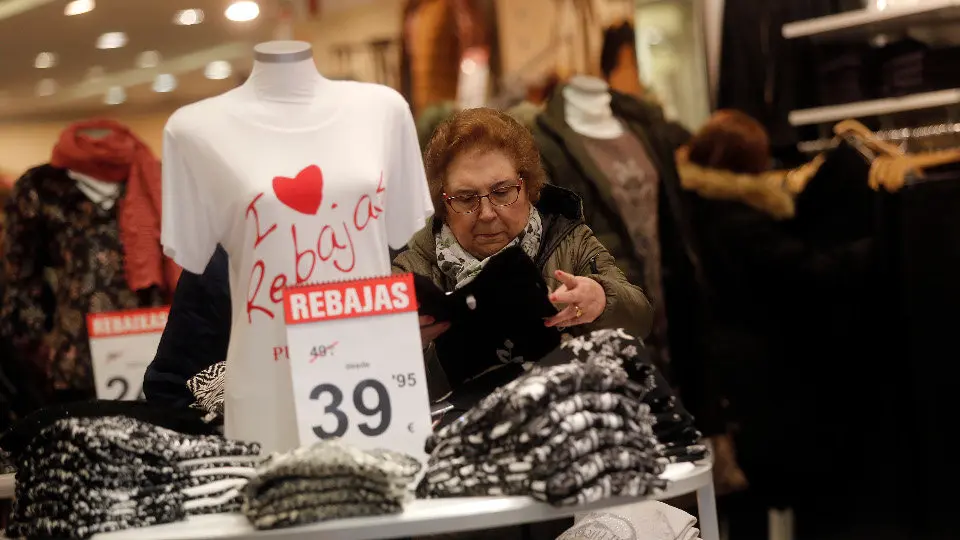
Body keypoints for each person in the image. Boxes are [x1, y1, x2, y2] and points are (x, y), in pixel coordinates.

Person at [392, 107, 654, 397]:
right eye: (466, 198)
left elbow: (640, 317)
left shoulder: (570, 240)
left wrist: (602, 299)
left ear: (528, 187)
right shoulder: (415, 265)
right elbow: (374, 365)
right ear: (442, 204)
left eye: (502, 192)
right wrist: (405, 346)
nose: (487, 213)